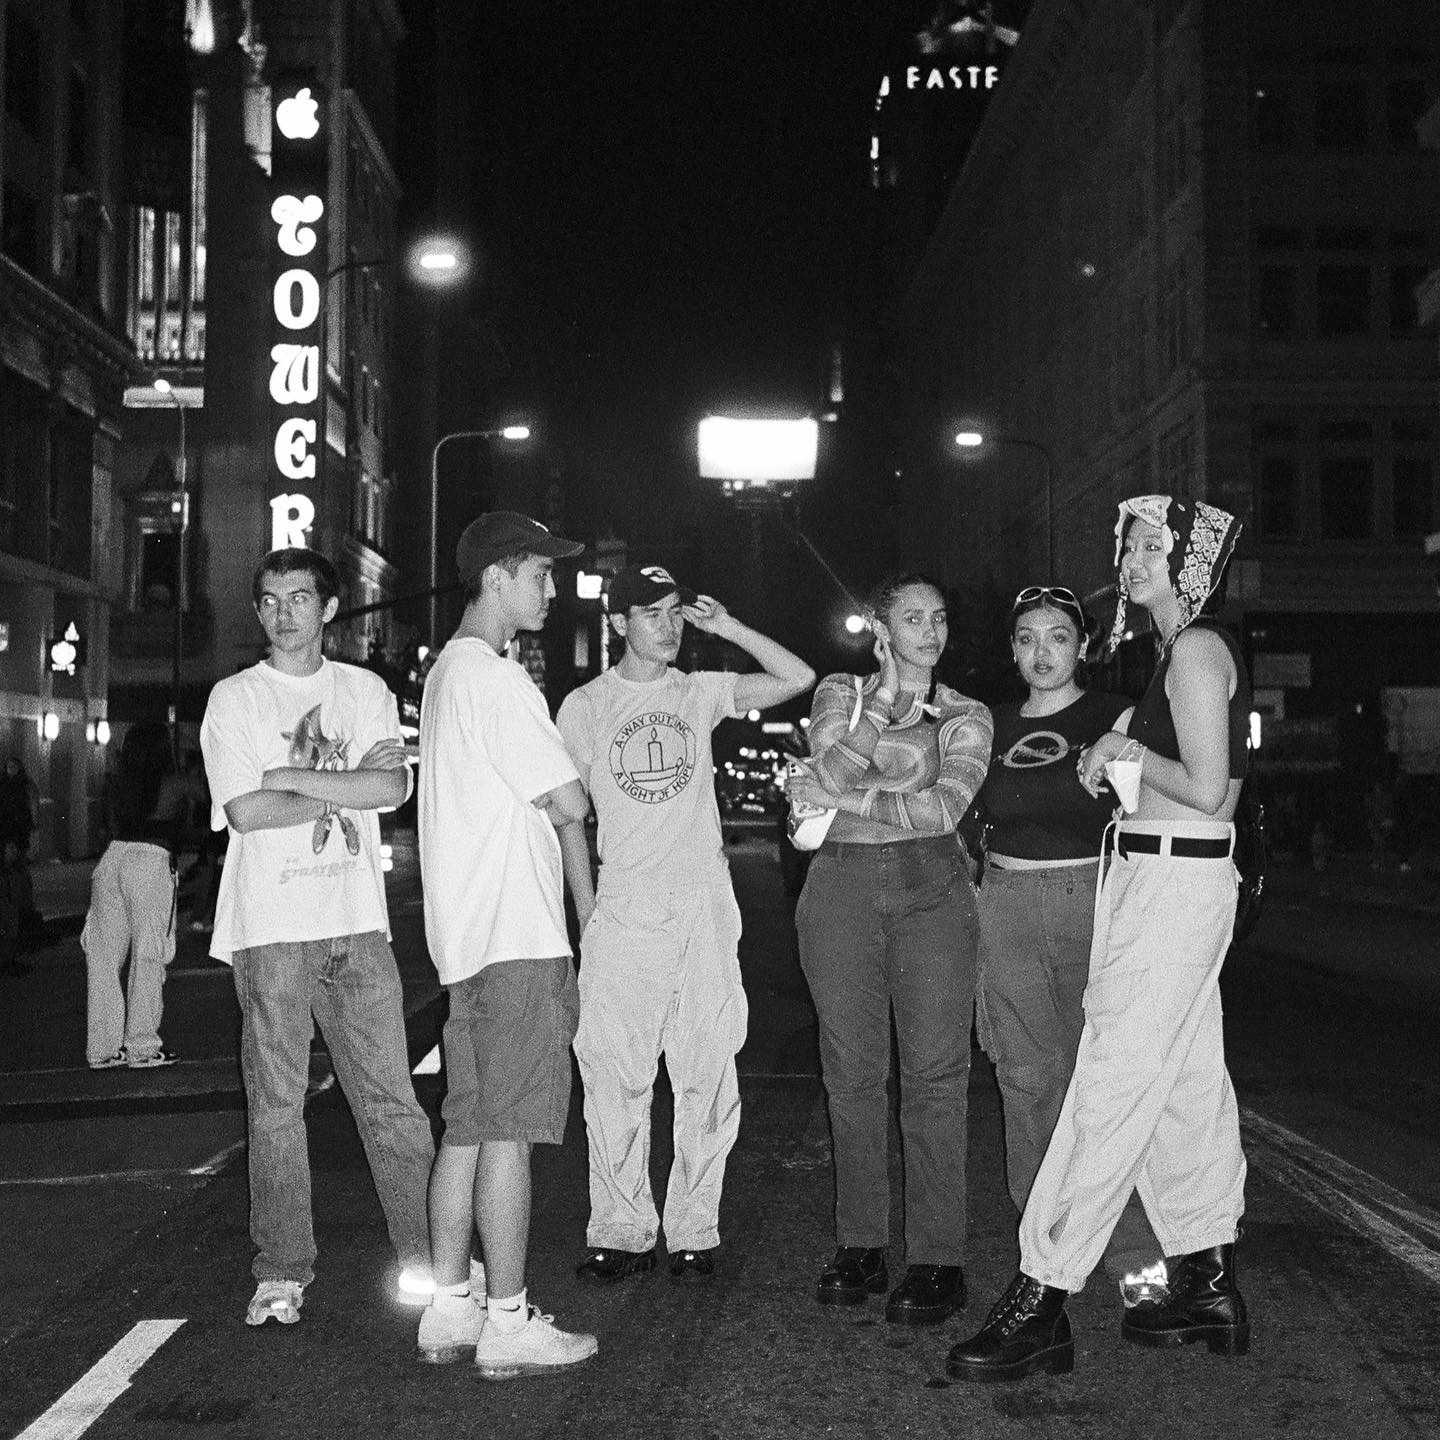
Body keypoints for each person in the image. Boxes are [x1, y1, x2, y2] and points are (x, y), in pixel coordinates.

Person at [949, 496, 1251, 1383]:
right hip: (1163, 878)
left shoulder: (1196, 649)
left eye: (1155, 547)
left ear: (1194, 558)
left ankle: (1041, 1295)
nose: (1133, 559)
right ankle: (1206, 1279)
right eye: (1128, 545)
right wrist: (1126, 746)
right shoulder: (1178, 650)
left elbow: (1209, 789)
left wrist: (1122, 751)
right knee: (1187, 1087)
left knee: (1107, 1087)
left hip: (1176, 877)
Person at [556, 564, 815, 1285]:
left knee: (706, 1068)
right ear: (616, 624)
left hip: (702, 898)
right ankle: (620, 1229)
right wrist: (587, 913)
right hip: (626, 901)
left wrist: (726, 627)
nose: (668, 627)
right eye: (651, 614)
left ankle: (695, 1229)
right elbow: (569, 819)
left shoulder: (699, 692)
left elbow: (797, 676)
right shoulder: (584, 706)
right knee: (615, 1074)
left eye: (674, 613)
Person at [200, 547, 434, 1329]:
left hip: (357, 926)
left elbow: (392, 787)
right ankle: (282, 1270)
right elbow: (242, 813)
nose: (283, 614)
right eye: (269, 601)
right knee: (275, 1108)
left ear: (329, 609)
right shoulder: (233, 699)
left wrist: (286, 778)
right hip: (269, 932)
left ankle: (428, 1257)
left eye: (299, 599)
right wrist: (339, 791)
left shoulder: (364, 690)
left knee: (391, 1103)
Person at [416, 510, 598, 1378]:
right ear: (497, 576)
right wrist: (589, 916)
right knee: (511, 1134)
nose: (552, 591)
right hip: (518, 938)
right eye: (540, 575)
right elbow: (567, 800)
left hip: (466, 941)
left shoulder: (444, 676)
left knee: (469, 1127)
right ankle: (511, 1320)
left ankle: (450, 1307)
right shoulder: (495, 677)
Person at [786, 573, 992, 1326]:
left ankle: (938, 1260)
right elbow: (830, 764)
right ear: (881, 627)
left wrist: (837, 798)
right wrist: (879, 705)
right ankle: (862, 1245)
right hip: (838, 889)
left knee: (937, 1076)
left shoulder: (968, 714)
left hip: (933, 889)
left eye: (938, 617)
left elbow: (941, 812)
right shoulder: (840, 694)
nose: (930, 632)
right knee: (851, 1075)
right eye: (912, 618)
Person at [971, 586, 1167, 1309]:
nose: (1042, 652)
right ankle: (1045, 1243)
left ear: (1082, 646)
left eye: (1058, 636)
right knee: (1025, 1080)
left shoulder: (1112, 716)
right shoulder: (986, 724)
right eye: (1027, 638)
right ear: (1013, 649)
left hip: (1095, 901)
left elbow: (1144, 808)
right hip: (1008, 904)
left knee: (1107, 1081)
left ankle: (1135, 1256)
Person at [83, 722, 188, 1068]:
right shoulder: (172, 783)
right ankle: (142, 1045)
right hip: (150, 860)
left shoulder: (118, 782)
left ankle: (103, 1048)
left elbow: (110, 823)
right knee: (148, 954)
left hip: (111, 860)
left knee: (102, 956)